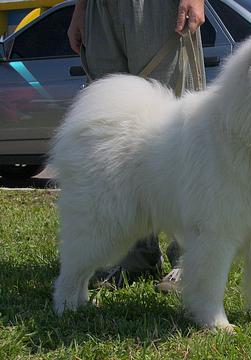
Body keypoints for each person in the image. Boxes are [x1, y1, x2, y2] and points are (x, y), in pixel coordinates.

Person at [67, 0, 205, 290]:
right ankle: (137, 257)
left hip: (157, 8)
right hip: (100, 8)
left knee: (171, 127)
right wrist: (80, 9)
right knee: (116, 132)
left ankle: (189, 262)